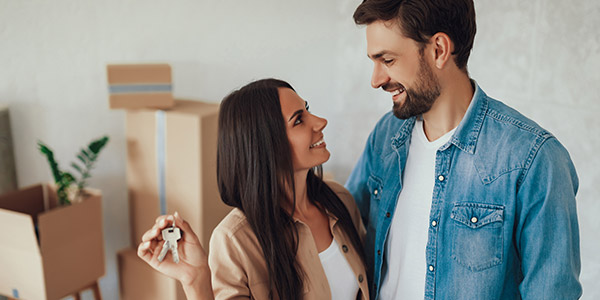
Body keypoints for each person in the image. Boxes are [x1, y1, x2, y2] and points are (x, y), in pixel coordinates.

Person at [345, 0, 582, 299]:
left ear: (439, 50)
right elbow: (341, 226)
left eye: (388, 60)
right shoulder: (386, 135)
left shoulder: (534, 159)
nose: (376, 79)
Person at [138, 78, 370, 300]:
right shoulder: (233, 240)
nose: (320, 122)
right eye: (299, 120)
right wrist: (194, 280)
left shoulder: (340, 200)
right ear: (266, 145)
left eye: (307, 109)